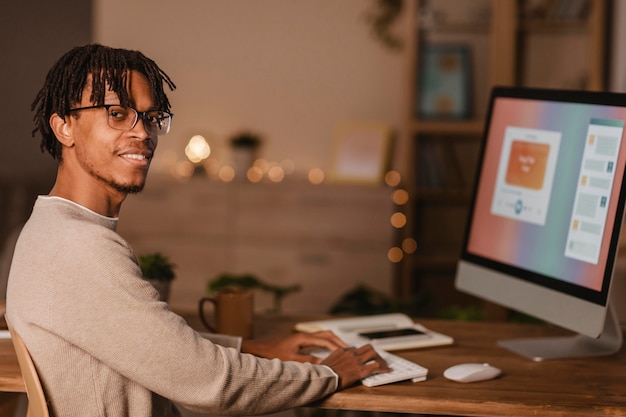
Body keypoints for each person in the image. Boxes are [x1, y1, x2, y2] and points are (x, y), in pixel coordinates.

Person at [6, 44, 389, 417]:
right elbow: (212, 384)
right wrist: (330, 373)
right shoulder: (81, 248)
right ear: (64, 126)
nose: (143, 133)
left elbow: (154, 345)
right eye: (118, 113)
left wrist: (254, 347)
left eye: (151, 117)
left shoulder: (53, 228)